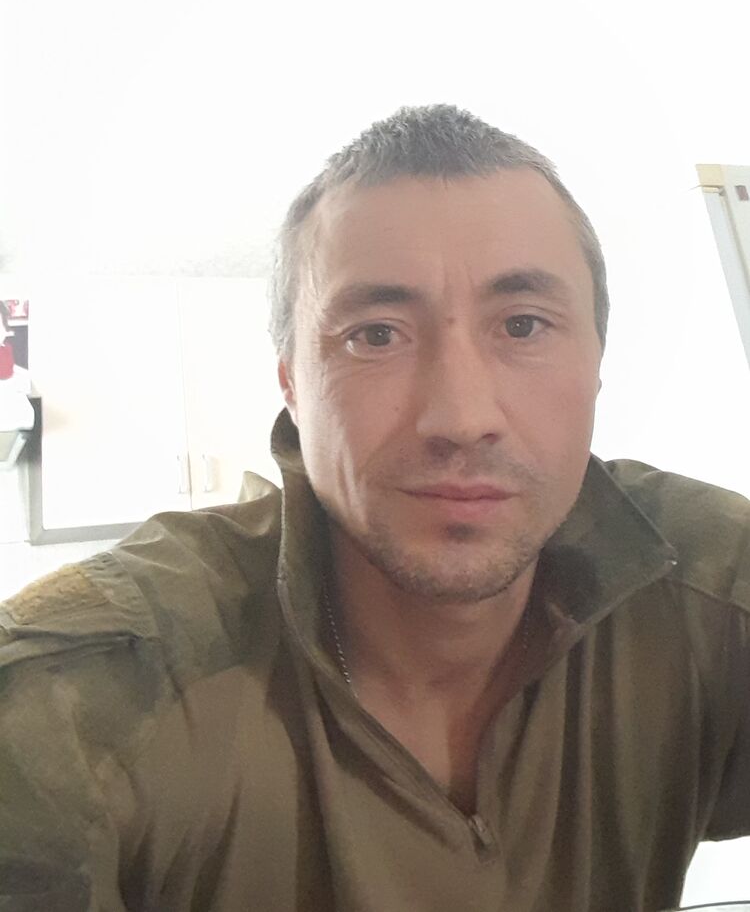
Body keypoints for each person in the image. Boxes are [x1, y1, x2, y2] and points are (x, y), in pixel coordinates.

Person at [0, 103, 748, 912]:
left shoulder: (709, 590)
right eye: (376, 335)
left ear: (597, 363)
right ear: (292, 383)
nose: (461, 416)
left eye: (524, 324)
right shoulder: (83, 699)